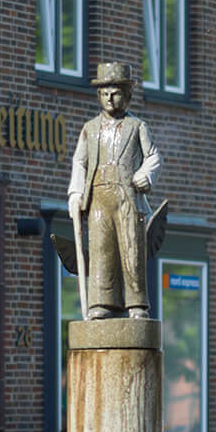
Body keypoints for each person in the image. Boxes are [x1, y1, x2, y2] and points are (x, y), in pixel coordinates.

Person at [67, 62, 161, 319]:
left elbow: (153, 156)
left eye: (116, 91)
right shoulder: (90, 129)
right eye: (105, 92)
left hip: (127, 196)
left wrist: (145, 175)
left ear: (128, 95)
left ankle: (136, 304)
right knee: (100, 248)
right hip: (98, 195)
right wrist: (75, 193)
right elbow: (80, 161)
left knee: (132, 248)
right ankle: (101, 302)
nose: (110, 97)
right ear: (98, 95)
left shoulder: (137, 126)